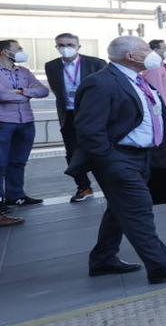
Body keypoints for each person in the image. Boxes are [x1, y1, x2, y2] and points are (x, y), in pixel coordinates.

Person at [70, 36, 166, 283]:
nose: (151, 53)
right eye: (145, 49)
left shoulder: (137, 79)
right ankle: (160, 265)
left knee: (119, 210)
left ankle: (103, 259)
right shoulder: (101, 83)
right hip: (118, 160)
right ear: (130, 56)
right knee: (139, 210)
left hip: (142, 157)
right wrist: (109, 160)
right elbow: (88, 129)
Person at [44, 33, 107, 202]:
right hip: (69, 114)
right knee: (72, 153)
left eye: (70, 44)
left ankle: (111, 185)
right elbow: (57, 90)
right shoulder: (51, 66)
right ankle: (84, 187)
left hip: (92, 114)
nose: (66, 48)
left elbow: (106, 88)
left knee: (100, 149)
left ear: (78, 46)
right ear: (56, 47)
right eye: (61, 45)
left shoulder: (96, 63)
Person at [1, 39, 50, 222]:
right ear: (5, 52)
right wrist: (27, 93)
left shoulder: (24, 72)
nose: (22, 51)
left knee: (18, 161)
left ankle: (16, 196)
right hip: (3, 122)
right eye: (18, 49)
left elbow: (43, 91)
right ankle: (1, 203)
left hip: (26, 122)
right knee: (0, 164)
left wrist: (20, 92)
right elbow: (1, 95)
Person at [145, 39, 166, 111]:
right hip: (164, 108)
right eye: (165, 48)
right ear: (156, 50)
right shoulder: (154, 67)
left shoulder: (161, 65)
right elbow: (155, 89)